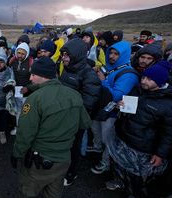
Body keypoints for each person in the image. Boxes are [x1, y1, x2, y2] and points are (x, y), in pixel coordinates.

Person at [11, 57, 92, 198]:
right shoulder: (74, 95)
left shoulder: (35, 99)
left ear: (43, 76)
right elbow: (85, 123)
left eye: (33, 74)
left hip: (39, 161)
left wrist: (17, 153)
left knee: (28, 191)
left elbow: (25, 134)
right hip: (63, 159)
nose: (30, 77)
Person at [108, 61, 172, 197]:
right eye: (143, 77)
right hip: (125, 138)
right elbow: (128, 109)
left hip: (143, 148)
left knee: (138, 177)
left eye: (149, 79)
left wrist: (160, 154)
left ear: (160, 82)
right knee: (121, 166)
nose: (144, 81)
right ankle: (121, 182)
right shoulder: (138, 89)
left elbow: (168, 133)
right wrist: (121, 106)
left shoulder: (167, 104)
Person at [90, 41, 140, 174]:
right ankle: (97, 148)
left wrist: (102, 80)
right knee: (96, 131)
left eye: (116, 54)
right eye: (110, 53)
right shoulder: (113, 67)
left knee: (108, 140)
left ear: (124, 55)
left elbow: (116, 95)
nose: (112, 56)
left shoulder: (128, 75)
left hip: (112, 113)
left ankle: (105, 163)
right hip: (102, 108)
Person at [58, 38, 101, 186]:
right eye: (63, 54)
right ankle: (63, 167)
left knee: (73, 146)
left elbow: (88, 104)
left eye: (66, 55)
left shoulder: (89, 75)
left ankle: (71, 173)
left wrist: (73, 119)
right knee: (64, 145)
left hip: (76, 121)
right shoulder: (68, 69)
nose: (63, 58)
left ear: (76, 55)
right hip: (63, 116)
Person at [8, 42, 34, 135]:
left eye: (23, 54)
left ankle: (27, 131)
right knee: (18, 110)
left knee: (27, 112)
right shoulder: (12, 60)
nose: (20, 55)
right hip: (16, 92)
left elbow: (34, 80)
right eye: (18, 53)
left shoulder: (31, 62)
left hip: (27, 93)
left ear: (27, 53)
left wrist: (28, 88)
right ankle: (18, 128)